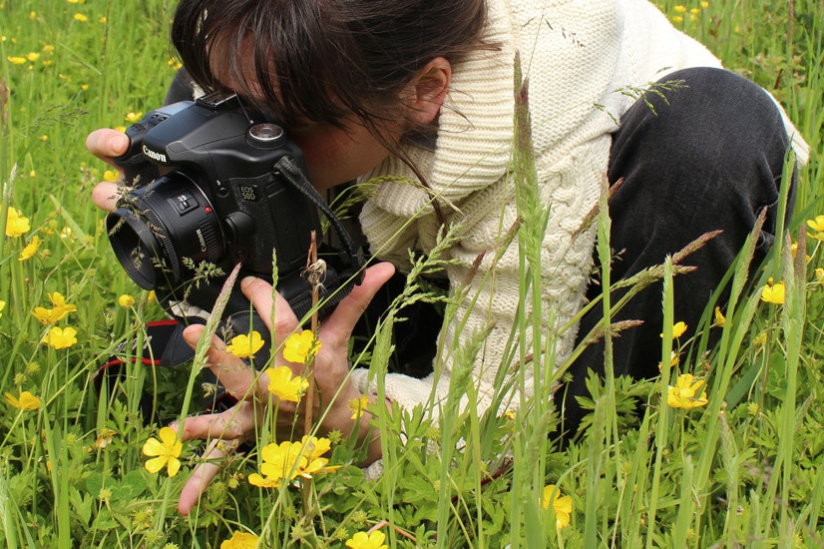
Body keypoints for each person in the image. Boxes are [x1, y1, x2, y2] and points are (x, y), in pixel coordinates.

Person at [86, 0, 809, 515]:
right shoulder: (313, 73)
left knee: (716, 133)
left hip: (632, 221)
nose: (238, 129)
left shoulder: (545, 124)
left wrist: (347, 414)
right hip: (397, 174)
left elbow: (497, 412)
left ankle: (595, 437)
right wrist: (179, 188)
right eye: (226, 103)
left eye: (275, 124)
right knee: (186, 365)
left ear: (427, 89)